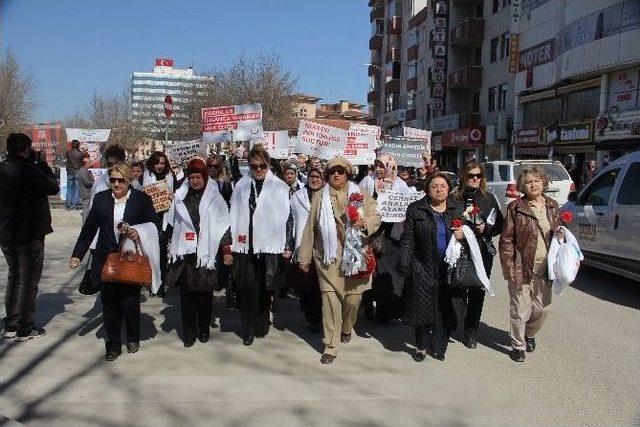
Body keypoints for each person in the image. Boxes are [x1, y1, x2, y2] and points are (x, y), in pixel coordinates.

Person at [70, 162, 159, 361]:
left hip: (129, 258)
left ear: (129, 181)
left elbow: (154, 223)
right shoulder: (101, 199)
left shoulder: (141, 199)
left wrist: (139, 232)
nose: (116, 184)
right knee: (109, 304)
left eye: (121, 180)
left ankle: (133, 336)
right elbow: (89, 228)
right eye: (113, 180)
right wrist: (78, 254)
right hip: (105, 257)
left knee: (129, 301)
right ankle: (113, 344)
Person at [298, 157, 381, 364]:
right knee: (329, 302)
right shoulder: (320, 197)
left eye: (340, 171)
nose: (336, 174)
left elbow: (376, 216)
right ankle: (331, 345)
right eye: (332, 171)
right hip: (328, 258)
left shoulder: (360, 194)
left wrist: (364, 222)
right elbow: (310, 229)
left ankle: (346, 327)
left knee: (353, 301)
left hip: (355, 257)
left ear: (347, 174)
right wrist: (304, 257)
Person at [230, 145, 293, 346]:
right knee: (247, 289)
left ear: (268, 165)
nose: (258, 170)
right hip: (246, 244)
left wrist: (288, 244)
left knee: (265, 289)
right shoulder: (241, 185)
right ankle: (247, 329)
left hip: (269, 246)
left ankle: (261, 323)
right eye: (254, 166)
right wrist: (229, 245)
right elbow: (233, 214)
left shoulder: (279, 187)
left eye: (262, 166)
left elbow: (287, 218)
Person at [499, 166, 564, 363]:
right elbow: (506, 240)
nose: (533, 184)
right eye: (528, 182)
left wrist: (561, 233)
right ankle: (518, 345)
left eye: (536, 180)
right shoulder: (516, 207)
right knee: (519, 308)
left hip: (546, 266)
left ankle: (529, 333)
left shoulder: (552, 205)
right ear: (522, 186)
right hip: (521, 265)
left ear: (543, 183)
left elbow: (557, 231)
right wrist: (509, 268)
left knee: (542, 309)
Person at [166, 158, 232, 347]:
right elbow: (173, 223)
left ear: (204, 177)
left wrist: (226, 250)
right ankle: (189, 333)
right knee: (186, 298)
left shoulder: (215, 198)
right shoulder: (181, 195)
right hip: (186, 253)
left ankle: (203, 328)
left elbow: (224, 225)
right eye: (192, 177)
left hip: (206, 255)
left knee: (204, 297)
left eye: (198, 177)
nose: (195, 181)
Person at [398, 172, 464, 362]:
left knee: (444, 307)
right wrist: (404, 263)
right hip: (422, 266)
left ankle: (439, 346)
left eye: (443, 186)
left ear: (449, 189)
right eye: (434, 185)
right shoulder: (416, 209)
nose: (439, 189)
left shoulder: (457, 209)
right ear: (427, 189)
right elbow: (408, 239)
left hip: (449, 267)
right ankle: (421, 345)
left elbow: (470, 235)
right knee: (423, 307)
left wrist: (464, 234)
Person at [0, 133, 59, 340]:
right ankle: (25, 327)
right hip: (30, 234)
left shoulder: (3, 169)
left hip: (7, 233)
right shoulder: (30, 170)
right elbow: (53, 187)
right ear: (25, 149)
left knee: (14, 277)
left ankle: (12, 323)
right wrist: (43, 165)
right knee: (28, 281)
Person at [449, 161, 504, 349]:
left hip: (481, 251)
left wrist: (486, 228)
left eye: (478, 176)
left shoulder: (489, 198)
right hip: (457, 251)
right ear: (463, 176)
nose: (474, 179)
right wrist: (455, 230)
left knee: (477, 292)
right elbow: (446, 219)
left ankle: (470, 332)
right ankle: (459, 318)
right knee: (456, 289)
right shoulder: (453, 198)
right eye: (470, 175)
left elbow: (499, 225)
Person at [359, 154, 410, 323]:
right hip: (371, 233)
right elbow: (358, 201)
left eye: (382, 166)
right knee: (369, 271)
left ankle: (385, 312)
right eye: (377, 166)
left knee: (387, 275)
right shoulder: (368, 181)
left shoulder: (400, 185)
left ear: (390, 167)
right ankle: (367, 305)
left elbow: (407, 206)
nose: (379, 170)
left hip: (391, 235)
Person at [290, 168, 324, 333]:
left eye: (318, 177)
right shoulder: (297, 197)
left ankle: (318, 318)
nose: (314, 179)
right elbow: (291, 221)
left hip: (322, 247)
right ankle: (312, 316)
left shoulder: (328, 196)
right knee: (305, 286)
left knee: (319, 286)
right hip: (302, 246)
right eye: (312, 176)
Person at [142, 151, 176, 298]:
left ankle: (161, 285)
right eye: (157, 163)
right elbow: (144, 194)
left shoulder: (169, 176)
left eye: (162, 163)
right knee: (151, 254)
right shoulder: (147, 175)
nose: (159, 166)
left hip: (164, 219)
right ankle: (152, 283)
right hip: (151, 220)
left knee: (162, 254)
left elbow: (174, 194)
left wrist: (170, 195)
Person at [65, 139, 84, 210]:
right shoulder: (81, 154)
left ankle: (68, 204)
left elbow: (67, 159)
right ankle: (75, 205)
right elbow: (81, 163)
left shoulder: (68, 152)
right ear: (78, 145)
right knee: (77, 189)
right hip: (77, 172)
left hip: (70, 172)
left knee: (69, 188)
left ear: (72, 145)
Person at [76, 156, 95, 224]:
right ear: (85, 163)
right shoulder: (82, 172)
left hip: (88, 193)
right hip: (86, 194)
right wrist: (93, 180)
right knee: (86, 212)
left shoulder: (86, 171)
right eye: (89, 162)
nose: (91, 164)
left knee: (88, 211)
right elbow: (87, 183)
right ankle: (84, 226)